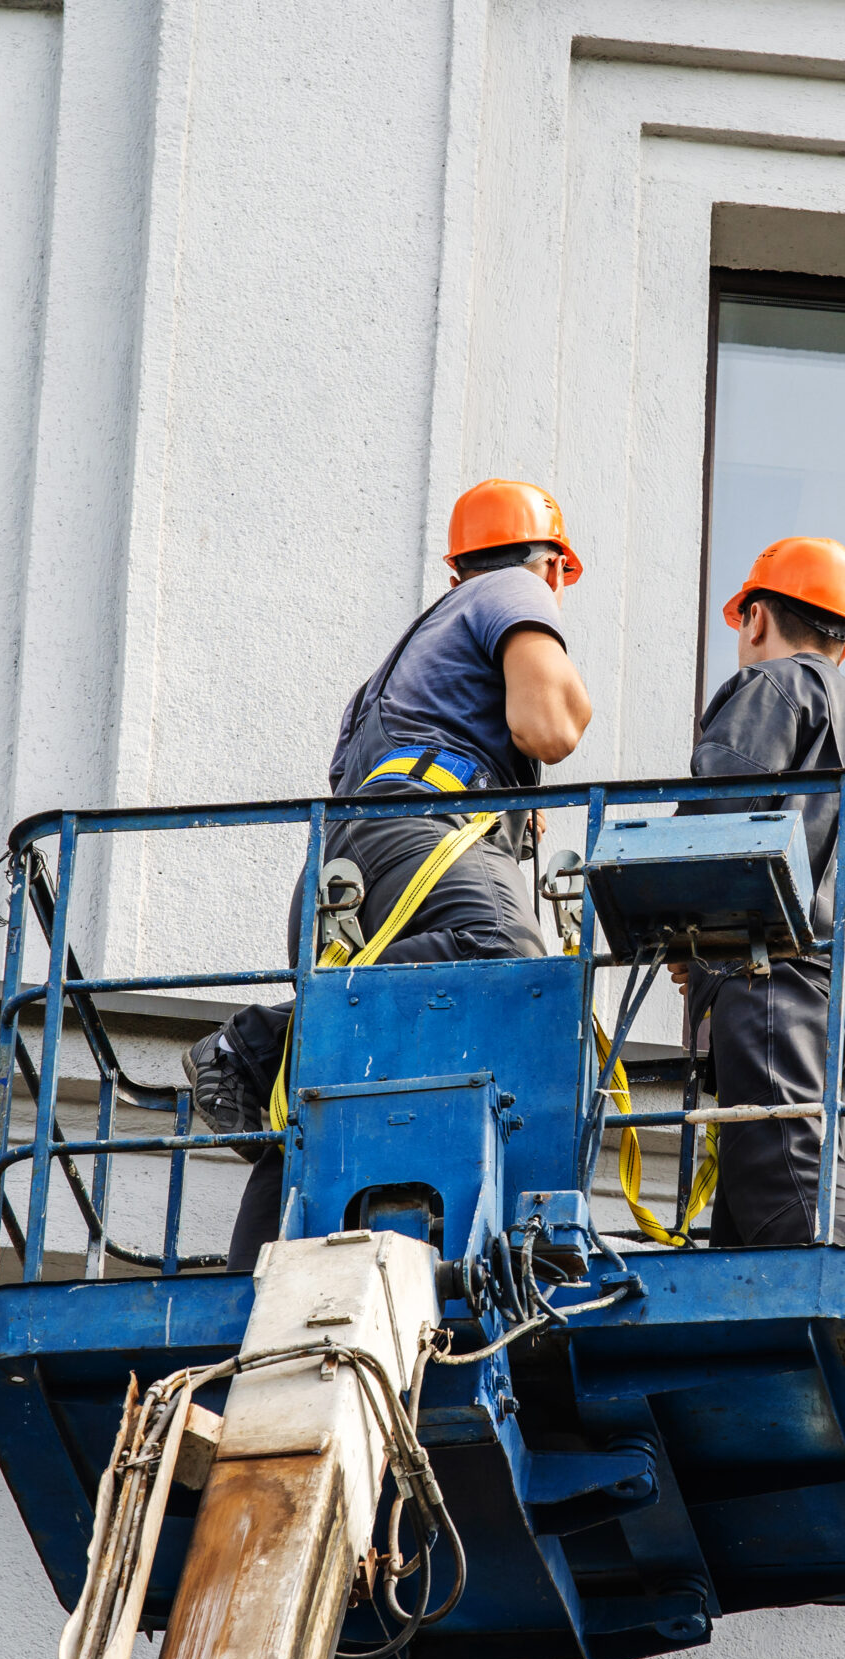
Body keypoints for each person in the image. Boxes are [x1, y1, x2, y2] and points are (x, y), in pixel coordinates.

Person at [191, 478, 594, 1270]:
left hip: (341, 870)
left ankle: (256, 1265)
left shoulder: (399, 670)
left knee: (334, 1079)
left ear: (455, 569)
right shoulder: (512, 589)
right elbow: (548, 726)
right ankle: (262, 1041)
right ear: (550, 566)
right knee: (512, 968)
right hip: (419, 840)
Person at [678, 536, 845, 1248]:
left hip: (783, 974)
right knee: (763, 1213)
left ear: (755, 618)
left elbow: (711, 830)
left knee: (797, 1208)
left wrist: (680, 926)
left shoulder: (775, 686)